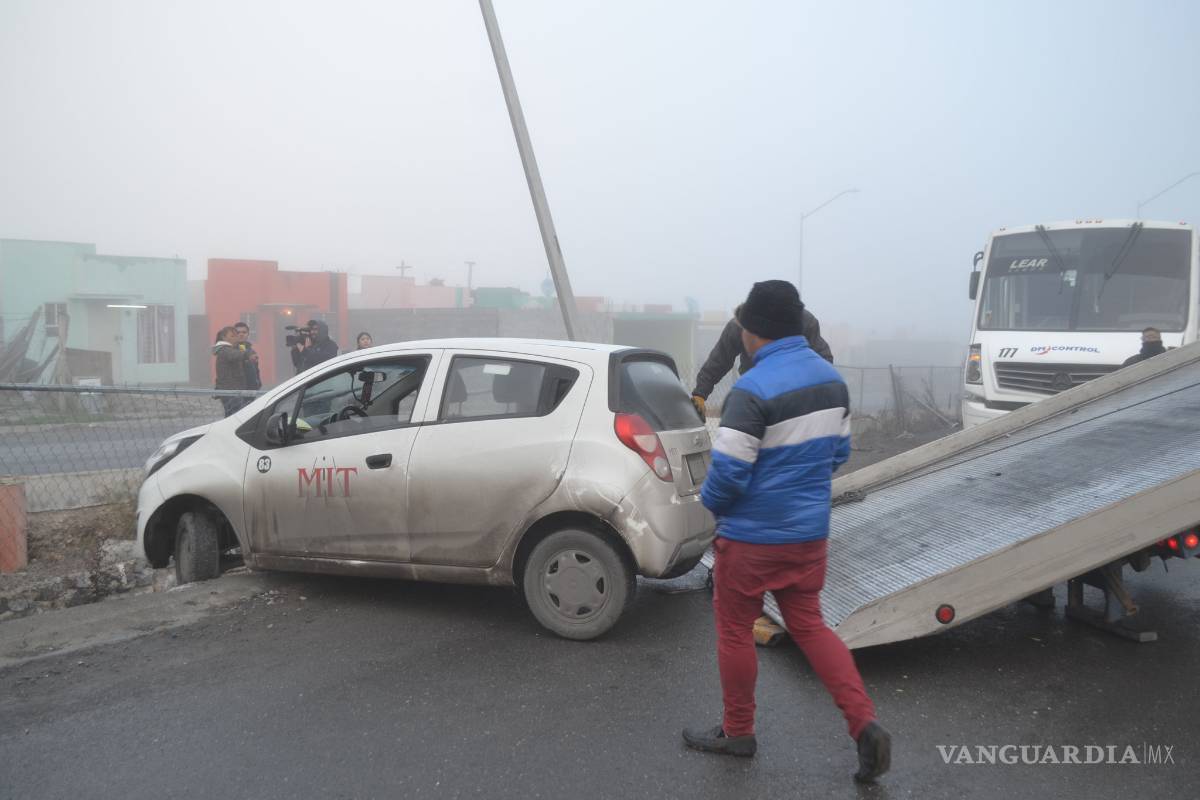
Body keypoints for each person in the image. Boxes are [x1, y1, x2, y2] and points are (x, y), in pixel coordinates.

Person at [683, 280, 891, 783]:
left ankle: (738, 732)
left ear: (751, 333)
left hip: (752, 541)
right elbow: (838, 454)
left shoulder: (751, 391)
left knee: (734, 630)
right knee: (811, 628)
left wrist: (705, 511)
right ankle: (864, 724)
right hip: (808, 536)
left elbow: (729, 473)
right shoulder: (831, 381)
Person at [691, 302, 833, 418]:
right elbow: (720, 359)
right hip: (756, 392)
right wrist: (700, 394)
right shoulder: (739, 325)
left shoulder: (804, 322)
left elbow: (823, 360)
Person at [213, 326, 257, 417]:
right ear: (224, 337)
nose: (236, 337)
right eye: (232, 336)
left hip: (236, 391)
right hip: (231, 392)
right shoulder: (225, 350)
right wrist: (247, 354)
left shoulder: (231, 348)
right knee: (235, 417)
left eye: (235, 335)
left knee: (234, 417)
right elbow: (234, 355)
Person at [233, 322, 262, 390]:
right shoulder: (229, 350)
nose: (241, 334)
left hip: (251, 390)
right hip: (236, 393)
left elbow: (256, 369)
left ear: (248, 334)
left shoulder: (251, 351)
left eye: (244, 332)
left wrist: (258, 382)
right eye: (238, 332)